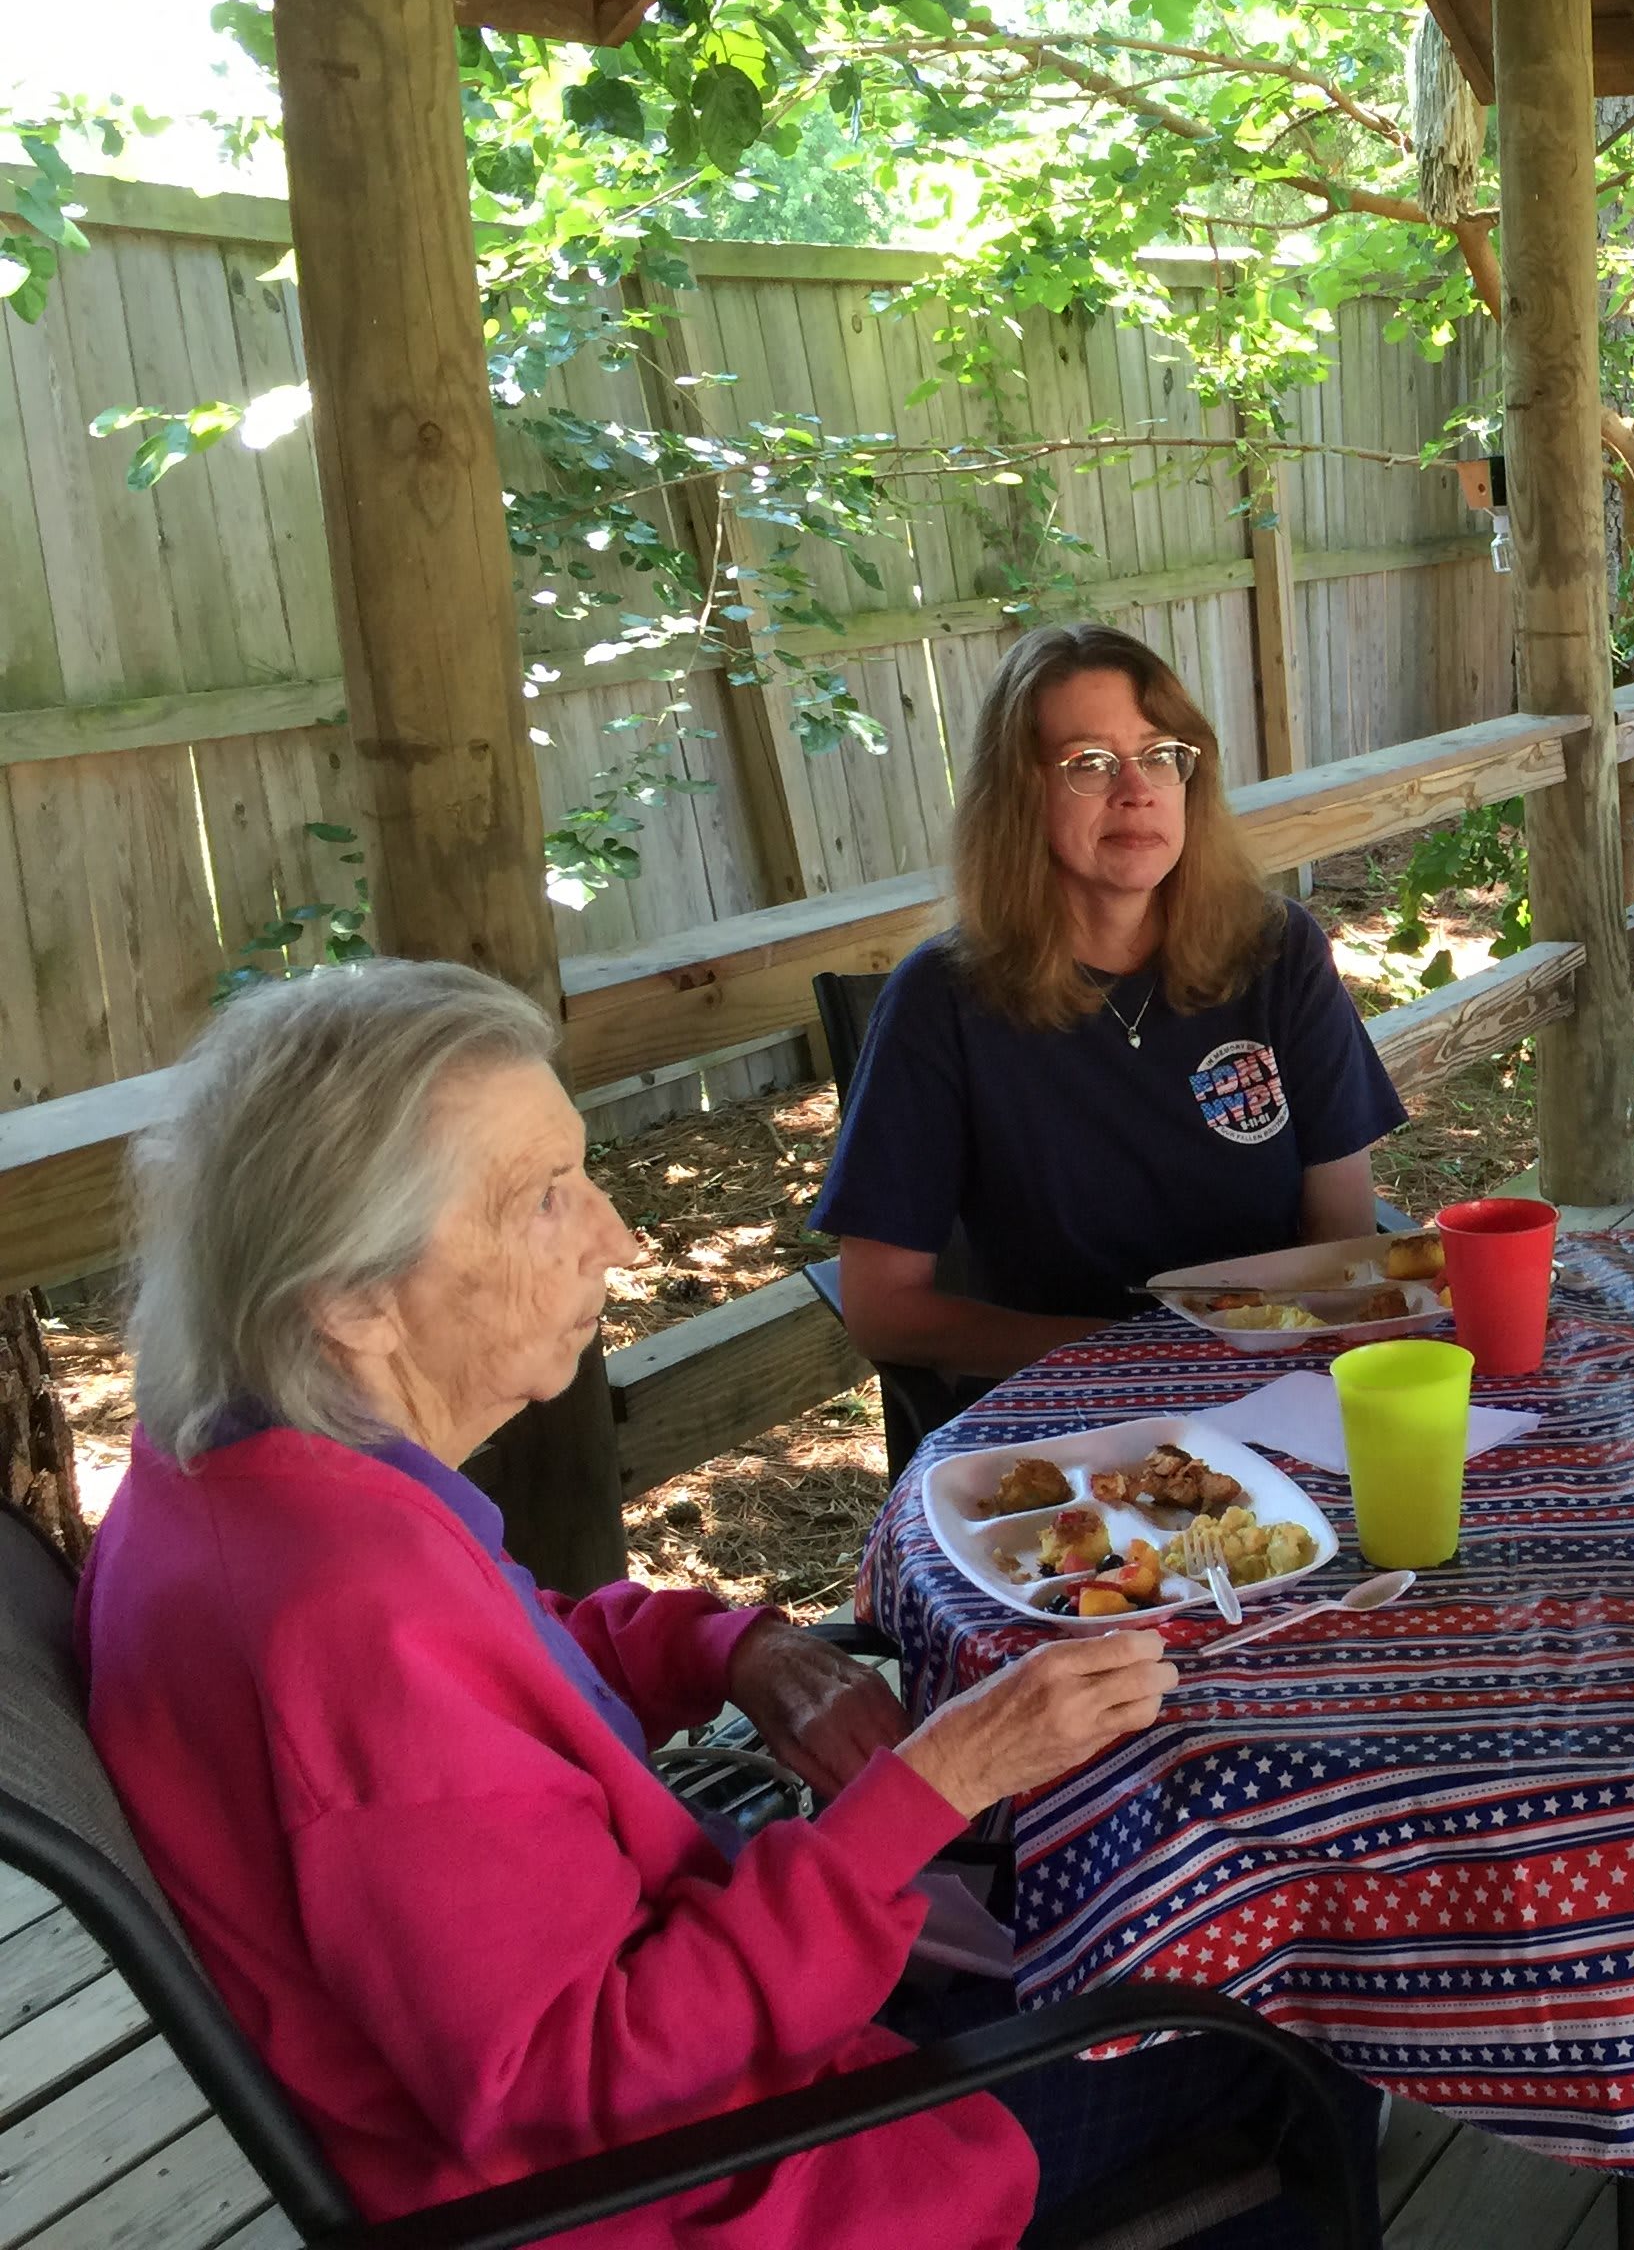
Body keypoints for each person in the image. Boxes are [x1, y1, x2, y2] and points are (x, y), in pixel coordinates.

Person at [79, 960, 1375, 2247]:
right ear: (351, 1300)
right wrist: (938, 1779)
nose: (616, 1237)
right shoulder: (354, 1627)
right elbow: (581, 2086)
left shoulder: (235, 1480)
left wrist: (727, 1647)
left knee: (1113, 1914)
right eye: (545, 1199)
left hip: (672, 2068)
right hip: (715, 2189)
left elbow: (504, 1666)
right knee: (1285, 2016)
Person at [817, 623, 1405, 1381]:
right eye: (1089, 763)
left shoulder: (1276, 950)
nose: (1137, 791)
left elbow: (1341, 1233)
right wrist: (1149, 1360)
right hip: (1067, 1412)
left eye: (1162, 755)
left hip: (1273, 1378)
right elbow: (883, 1312)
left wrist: (1256, 1363)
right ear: (1020, 792)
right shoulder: (940, 1000)